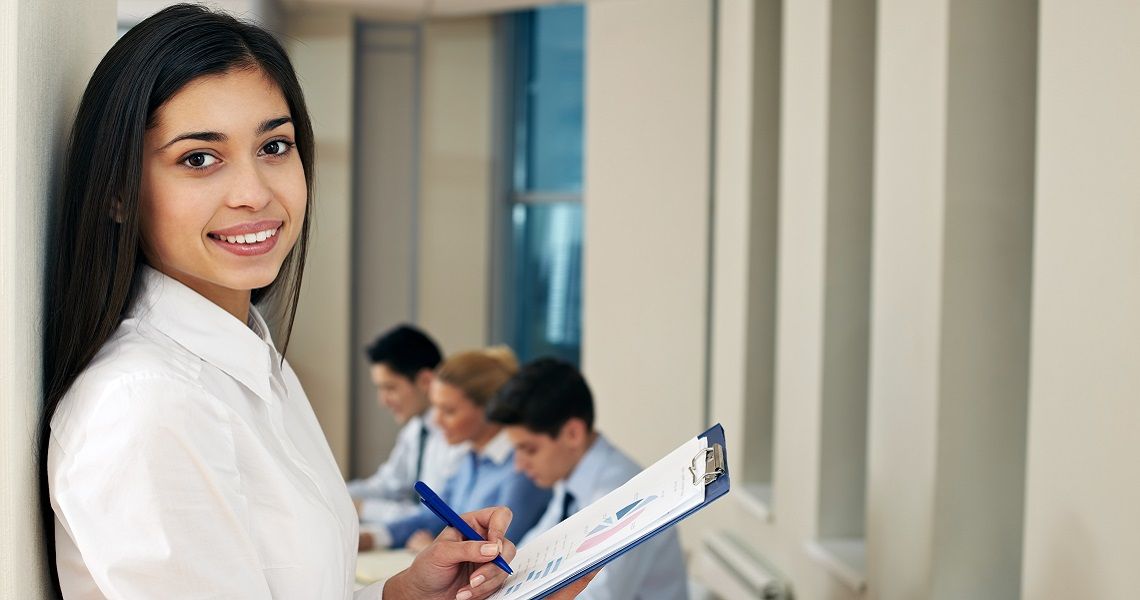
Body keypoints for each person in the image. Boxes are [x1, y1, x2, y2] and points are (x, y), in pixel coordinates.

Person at [39, 5, 594, 599]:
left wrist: (401, 595)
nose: (254, 193)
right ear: (120, 193)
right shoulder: (145, 406)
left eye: (274, 146)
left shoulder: (251, 363)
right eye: (199, 159)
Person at [487, 358, 690, 600]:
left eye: (529, 449)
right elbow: (534, 553)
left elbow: (595, 595)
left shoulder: (625, 496)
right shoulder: (571, 482)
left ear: (572, 434)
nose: (518, 466)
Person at [363, 347, 551, 553]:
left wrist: (434, 549)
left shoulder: (523, 469)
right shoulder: (468, 460)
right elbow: (433, 517)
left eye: (449, 411)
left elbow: (499, 548)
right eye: (436, 408)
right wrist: (371, 538)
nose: (437, 420)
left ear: (489, 409)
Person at [347, 325, 465, 524]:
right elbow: (387, 485)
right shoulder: (415, 429)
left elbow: (438, 515)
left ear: (425, 381)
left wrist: (364, 508)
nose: (383, 401)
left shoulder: (456, 434)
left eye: (390, 388)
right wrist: (332, 493)